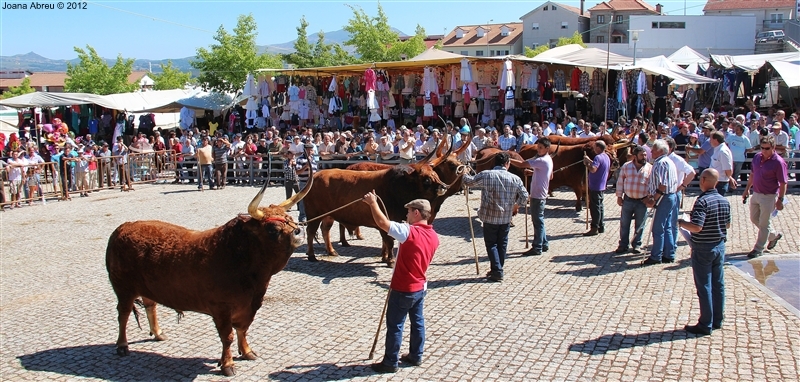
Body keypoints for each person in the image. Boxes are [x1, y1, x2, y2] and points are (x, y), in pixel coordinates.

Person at [363, 194, 438, 374]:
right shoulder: (434, 236)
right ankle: (416, 355)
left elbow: (382, 223)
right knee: (418, 322)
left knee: (396, 325)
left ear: (417, 213)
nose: (407, 215)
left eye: (409, 212)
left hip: (403, 287)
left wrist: (373, 204)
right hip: (420, 287)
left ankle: (390, 362)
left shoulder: (408, 232)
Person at [678, 169, 731, 336]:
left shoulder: (702, 202)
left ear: (704, 180)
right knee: (718, 284)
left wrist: (681, 222)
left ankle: (705, 323)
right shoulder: (724, 201)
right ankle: (717, 319)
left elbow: (697, 227)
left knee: (704, 286)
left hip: (703, 248)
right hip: (719, 246)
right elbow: (727, 224)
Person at [462, 152, 529, 282]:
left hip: (489, 215)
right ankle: (496, 269)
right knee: (502, 243)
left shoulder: (487, 174)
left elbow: (468, 182)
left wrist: (464, 171)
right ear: (507, 164)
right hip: (506, 217)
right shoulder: (515, 178)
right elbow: (525, 197)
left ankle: (497, 270)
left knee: (491, 244)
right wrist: (516, 205)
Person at [742, 136, 787, 258]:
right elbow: (752, 174)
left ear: (773, 148)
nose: (764, 151)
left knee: (764, 223)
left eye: (767, 148)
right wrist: (746, 190)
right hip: (756, 193)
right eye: (762, 148)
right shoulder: (757, 157)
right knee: (754, 218)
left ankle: (758, 248)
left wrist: (780, 200)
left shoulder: (778, 162)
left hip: (769, 195)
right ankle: (773, 235)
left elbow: (783, 183)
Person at [643, 139, 679, 265]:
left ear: (659, 151)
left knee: (658, 228)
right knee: (667, 226)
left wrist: (654, 198)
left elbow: (663, 184)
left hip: (664, 197)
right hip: (670, 196)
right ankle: (669, 253)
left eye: (653, 149)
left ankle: (656, 256)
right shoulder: (668, 161)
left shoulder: (661, 163)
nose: (651, 151)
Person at [515, 138, 553, 257]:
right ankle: (544, 243)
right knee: (539, 219)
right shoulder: (548, 159)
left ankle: (537, 247)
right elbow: (550, 176)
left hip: (538, 194)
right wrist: (533, 173)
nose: (538, 149)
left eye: (541, 148)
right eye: (538, 147)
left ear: (547, 149)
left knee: (537, 221)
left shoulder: (541, 160)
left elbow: (521, 164)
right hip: (541, 193)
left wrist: (507, 158)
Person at [614, 145, 652, 254]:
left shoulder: (649, 168)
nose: (644, 157)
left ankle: (637, 245)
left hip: (642, 201)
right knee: (624, 223)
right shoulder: (626, 166)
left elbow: (652, 184)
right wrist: (619, 196)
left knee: (640, 224)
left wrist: (649, 197)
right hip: (628, 200)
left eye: (645, 155)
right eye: (642, 155)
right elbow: (620, 181)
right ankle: (623, 245)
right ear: (635, 156)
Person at [582, 141, 611, 236]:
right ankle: (601, 226)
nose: (594, 149)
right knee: (600, 207)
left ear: (598, 147)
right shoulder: (606, 156)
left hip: (595, 186)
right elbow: (597, 165)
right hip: (601, 185)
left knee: (595, 208)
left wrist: (587, 164)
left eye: (595, 147)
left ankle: (594, 227)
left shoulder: (598, 157)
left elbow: (593, 169)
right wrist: (590, 160)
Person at [708, 131, 735, 196]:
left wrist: (729, 178)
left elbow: (728, 170)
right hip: (715, 182)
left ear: (716, 140)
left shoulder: (723, 151)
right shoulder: (718, 149)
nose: (709, 141)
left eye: (711, 139)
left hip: (720, 183)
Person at [295, 143, 317, 223]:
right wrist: (306, 166)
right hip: (304, 182)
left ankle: (311, 216)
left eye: (311, 150)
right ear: (304, 150)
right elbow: (297, 172)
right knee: (303, 200)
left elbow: (315, 169)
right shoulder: (300, 159)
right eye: (308, 150)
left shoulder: (313, 158)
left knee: (313, 200)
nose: (309, 151)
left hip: (313, 182)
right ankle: (302, 217)